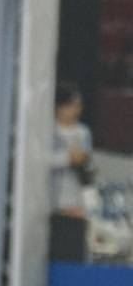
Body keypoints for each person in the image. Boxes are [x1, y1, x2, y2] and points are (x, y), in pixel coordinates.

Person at [50, 82, 93, 218]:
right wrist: (67, 158)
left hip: (75, 196)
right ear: (58, 107)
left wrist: (84, 159)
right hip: (51, 197)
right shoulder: (49, 130)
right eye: (70, 106)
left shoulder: (83, 132)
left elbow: (88, 163)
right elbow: (39, 160)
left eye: (78, 106)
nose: (75, 110)